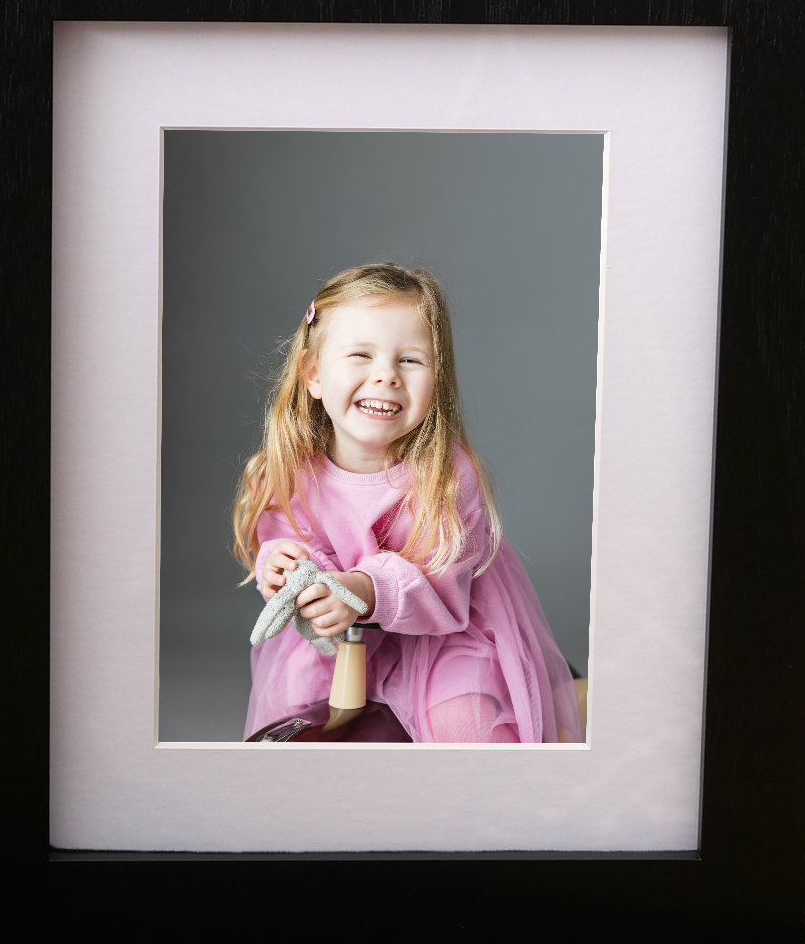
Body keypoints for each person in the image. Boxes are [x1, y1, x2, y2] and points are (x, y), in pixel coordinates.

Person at [233, 262, 584, 744]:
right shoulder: (294, 468)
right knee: (296, 715)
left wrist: (361, 587)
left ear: (435, 381)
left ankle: (564, 704)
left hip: (439, 633)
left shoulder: (444, 473)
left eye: (410, 361)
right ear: (313, 375)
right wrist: (285, 566)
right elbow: (285, 535)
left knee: (465, 729)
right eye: (361, 355)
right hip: (340, 638)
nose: (386, 377)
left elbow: (443, 576)